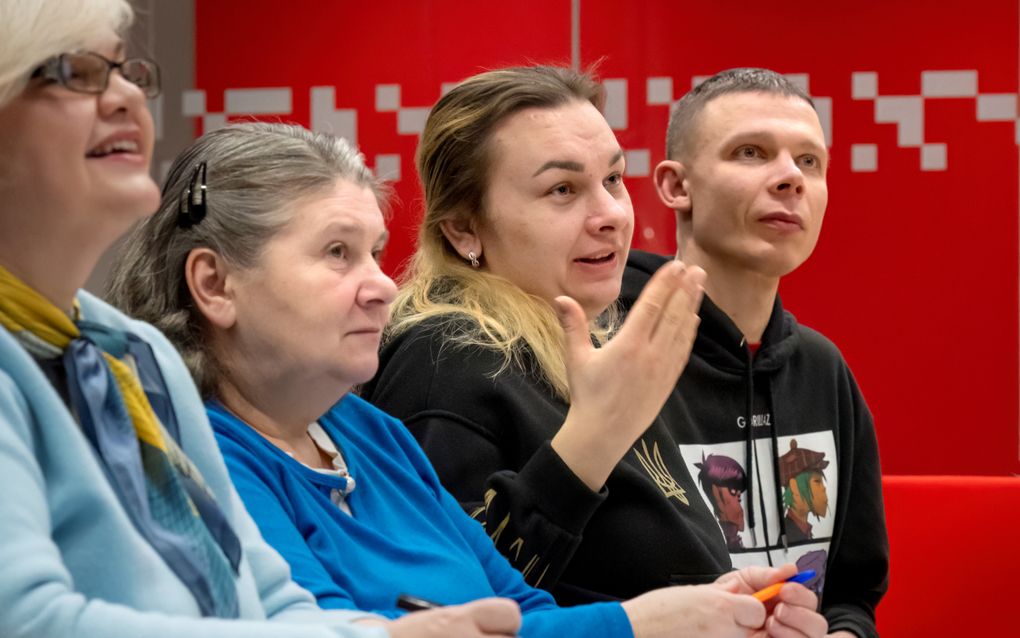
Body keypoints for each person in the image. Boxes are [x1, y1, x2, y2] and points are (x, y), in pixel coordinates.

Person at [109, 119, 801, 638]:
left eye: (375, 252)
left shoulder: (366, 430)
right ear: (214, 284)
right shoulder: (195, 456)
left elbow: (524, 608)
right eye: (336, 254)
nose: (381, 285)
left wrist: (708, 612)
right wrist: (639, 625)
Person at [0, 1, 517, 637]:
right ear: (212, 285)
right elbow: (25, 623)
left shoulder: (135, 353)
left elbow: (263, 594)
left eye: (124, 69)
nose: (126, 97)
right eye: (77, 72)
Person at [362, 66, 824, 638]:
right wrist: (588, 446)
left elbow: (634, 579)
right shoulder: (445, 362)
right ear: (463, 230)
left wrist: (731, 606)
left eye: (614, 179)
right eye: (563, 190)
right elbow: (456, 613)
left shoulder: (585, 336)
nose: (610, 215)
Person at [620, 68, 889, 637]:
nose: (790, 177)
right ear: (676, 186)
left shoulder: (823, 368)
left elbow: (851, 594)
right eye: (751, 152)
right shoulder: (610, 356)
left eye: (809, 162)